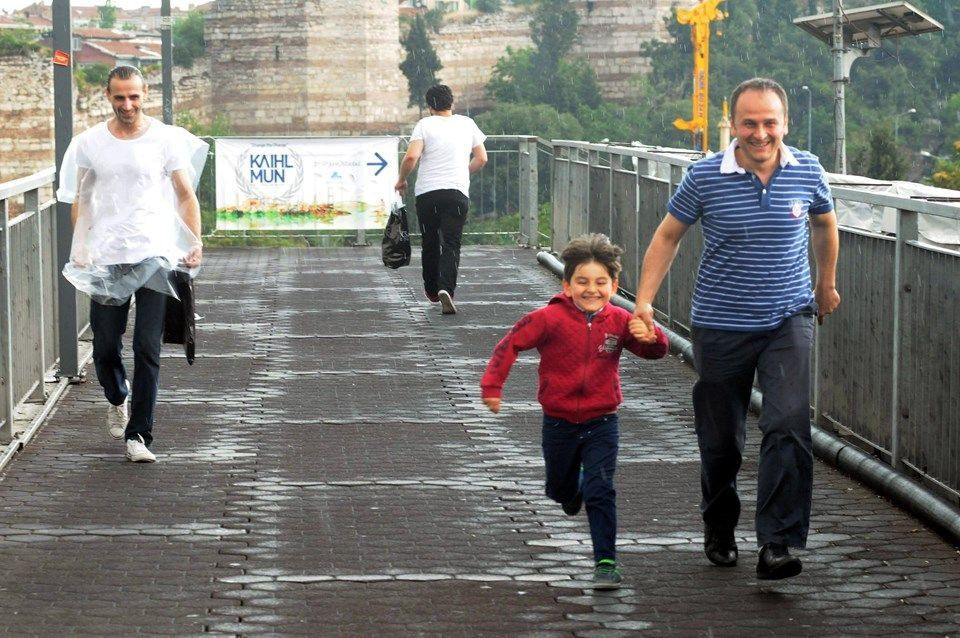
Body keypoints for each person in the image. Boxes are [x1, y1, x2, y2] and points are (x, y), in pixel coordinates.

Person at [631, 78, 841, 580]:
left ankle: (777, 543)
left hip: (788, 319)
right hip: (721, 324)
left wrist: (826, 285)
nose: (760, 133)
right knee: (722, 441)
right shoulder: (705, 176)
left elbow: (825, 224)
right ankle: (719, 524)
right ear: (734, 125)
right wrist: (643, 301)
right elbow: (667, 236)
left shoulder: (807, 169)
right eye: (750, 122)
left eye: (770, 122)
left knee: (787, 423)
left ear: (784, 124)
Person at [481, 234, 669, 589]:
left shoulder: (619, 320)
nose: (591, 289)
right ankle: (571, 489)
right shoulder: (547, 318)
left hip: (603, 421)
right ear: (567, 285)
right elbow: (509, 345)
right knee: (559, 489)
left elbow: (654, 352)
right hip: (559, 423)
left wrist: (652, 335)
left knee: (602, 488)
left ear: (614, 285)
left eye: (601, 283)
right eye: (582, 282)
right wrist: (492, 387)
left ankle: (606, 562)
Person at [57, 65, 206, 463]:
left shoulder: (164, 140)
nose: (128, 104)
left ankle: (138, 435)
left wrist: (194, 241)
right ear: (108, 95)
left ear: (145, 95)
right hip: (107, 257)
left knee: (146, 347)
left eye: (135, 96)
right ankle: (117, 395)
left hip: (154, 253)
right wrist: (82, 243)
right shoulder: (91, 142)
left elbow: (186, 195)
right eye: (120, 97)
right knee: (105, 347)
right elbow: (82, 199)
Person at [394, 84, 487, 315]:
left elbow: (412, 156)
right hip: (456, 193)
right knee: (452, 243)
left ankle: (432, 290)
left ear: (429, 106)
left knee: (430, 241)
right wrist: (462, 172)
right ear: (451, 103)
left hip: (428, 194)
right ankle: (447, 288)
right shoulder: (467, 123)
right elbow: (482, 158)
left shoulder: (424, 125)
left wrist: (401, 179)